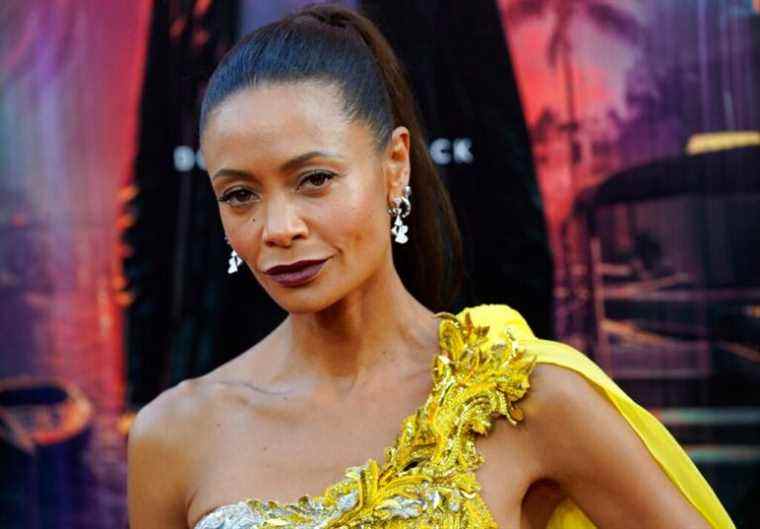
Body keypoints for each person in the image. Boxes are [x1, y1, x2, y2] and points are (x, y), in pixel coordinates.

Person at [127, 4, 734, 529]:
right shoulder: (174, 434)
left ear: (395, 166)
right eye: (240, 195)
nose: (278, 228)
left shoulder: (524, 395)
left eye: (314, 180)